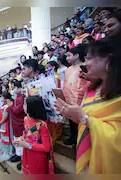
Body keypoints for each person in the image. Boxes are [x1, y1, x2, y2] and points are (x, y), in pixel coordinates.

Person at [54, 37, 121, 174]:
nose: (86, 64)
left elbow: (116, 139)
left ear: (108, 59)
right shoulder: (94, 89)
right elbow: (86, 121)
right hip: (89, 153)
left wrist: (84, 117)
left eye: (89, 58)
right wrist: (74, 115)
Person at [13, 96, 53, 174]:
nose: (23, 107)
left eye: (25, 105)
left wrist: (27, 145)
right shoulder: (26, 119)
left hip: (37, 157)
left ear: (32, 108)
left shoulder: (42, 125)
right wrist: (21, 140)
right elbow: (25, 134)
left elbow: (46, 147)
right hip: (27, 153)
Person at [63, 44, 90, 145]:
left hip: (81, 98)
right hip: (69, 98)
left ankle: (81, 139)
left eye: (69, 55)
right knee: (71, 120)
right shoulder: (68, 69)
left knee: (80, 121)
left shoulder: (84, 67)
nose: (67, 58)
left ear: (77, 56)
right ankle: (73, 137)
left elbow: (87, 83)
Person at [8, 81, 26, 164]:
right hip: (15, 122)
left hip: (19, 121)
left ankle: (22, 157)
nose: (13, 89)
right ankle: (18, 154)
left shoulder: (21, 98)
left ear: (19, 88)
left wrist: (11, 105)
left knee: (19, 139)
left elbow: (17, 110)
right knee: (16, 138)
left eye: (14, 87)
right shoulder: (17, 97)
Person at [0, 92, 14, 162]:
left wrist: (0, 122)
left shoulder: (7, 106)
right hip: (2, 123)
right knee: (3, 137)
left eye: (2, 97)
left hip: (5, 124)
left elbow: (5, 116)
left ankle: (8, 152)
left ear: (5, 99)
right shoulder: (3, 105)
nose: (1, 98)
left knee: (6, 137)